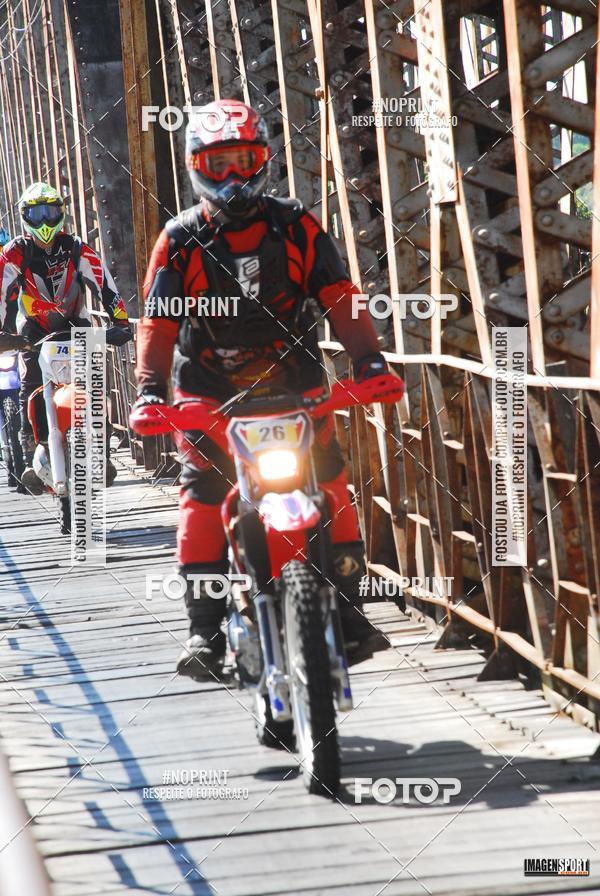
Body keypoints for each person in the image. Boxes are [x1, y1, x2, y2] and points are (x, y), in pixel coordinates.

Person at [134, 98, 393, 681]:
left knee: (331, 485)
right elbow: (158, 323)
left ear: (265, 161)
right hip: (208, 392)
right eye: (218, 163)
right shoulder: (180, 239)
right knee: (201, 498)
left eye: (244, 161)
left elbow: (341, 298)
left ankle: (350, 611)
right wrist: (150, 391)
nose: (232, 178)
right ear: (197, 164)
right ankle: (204, 629)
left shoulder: (296, 224)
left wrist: (369, 361)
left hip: (294, 386)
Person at [0, 183, 132, 494]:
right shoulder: (14, 252)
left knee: (93, 385)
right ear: (25, 217)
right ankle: (30, 454)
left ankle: (103, 452)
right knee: (30, 383)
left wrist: (121, 322)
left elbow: (105, 285)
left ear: (61, 213)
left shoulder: (77, 248)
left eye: (50, 212)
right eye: (37, 214)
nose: (44, 221)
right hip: (32, 328)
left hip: (77, 323)